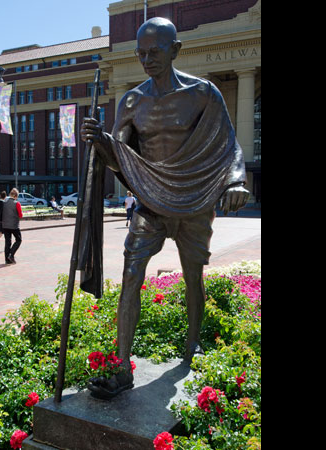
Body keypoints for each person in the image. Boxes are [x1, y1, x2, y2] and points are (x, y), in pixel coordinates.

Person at [80, 17, 250, 399]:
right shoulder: (132, 101)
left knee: (193, 276)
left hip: (194, 202)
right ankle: (122, 367)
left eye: (154, 52)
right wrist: (100, 141)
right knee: (131, 274)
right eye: (140, 53)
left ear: (175, 50)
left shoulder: (203, 94)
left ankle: (193, 345)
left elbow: (230, 145)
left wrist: (236, 181)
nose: (147, 60)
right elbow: (120, 157)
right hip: (150, 203)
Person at [0, 188, 23, 264]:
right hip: (14, 225)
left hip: (5, 225)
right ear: (16, 196)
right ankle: (11, 255)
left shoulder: (4, 202)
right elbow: (20, 215)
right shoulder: (17, 203)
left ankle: (7, 260)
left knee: (7, 242)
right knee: (18, 240)